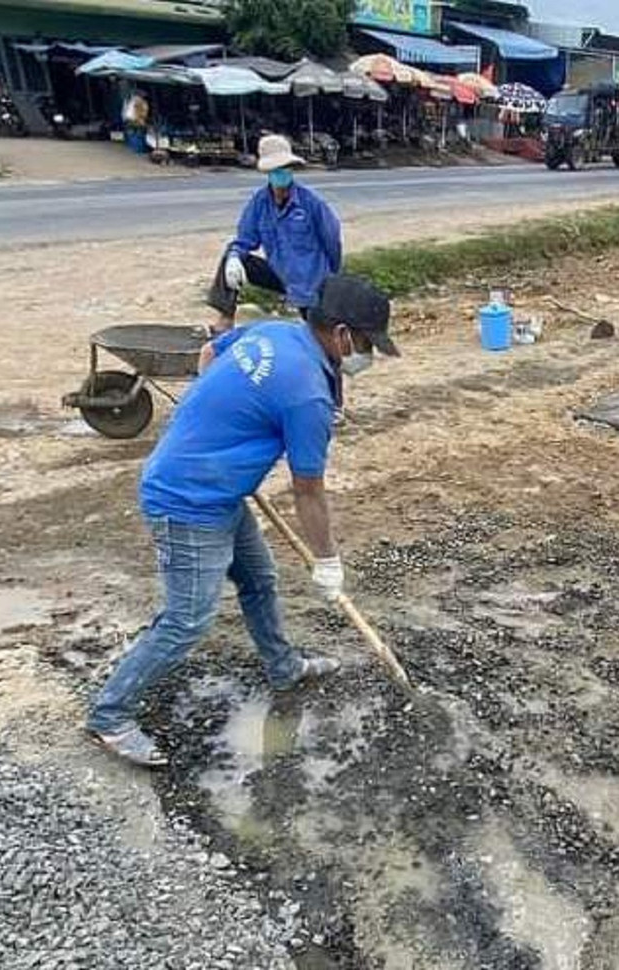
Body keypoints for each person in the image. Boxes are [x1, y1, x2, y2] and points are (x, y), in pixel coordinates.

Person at [87, 274, 401, 767]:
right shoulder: (307, 396)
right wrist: (327, 560)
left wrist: (219, 416)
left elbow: (210, 355)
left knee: (259, 578)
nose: (368, 354)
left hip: (219, 488)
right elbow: (307, 489)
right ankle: (110, 715)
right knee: (188, 619)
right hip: (187, 500)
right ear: (342, 334)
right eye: (366, 343)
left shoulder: (273, 333)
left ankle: (284, 668)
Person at [207, 134, 342, 333]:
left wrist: (330, 280)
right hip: (280, 273)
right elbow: (245, 239)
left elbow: (332, 242)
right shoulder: (260, 203)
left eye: (284, 169)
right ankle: (225, 319)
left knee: (318, 337)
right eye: (275, 170)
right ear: (267, 173)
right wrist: (235, 257)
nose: (280, 174)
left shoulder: (311, 203)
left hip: (310, 282)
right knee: (232, 257)